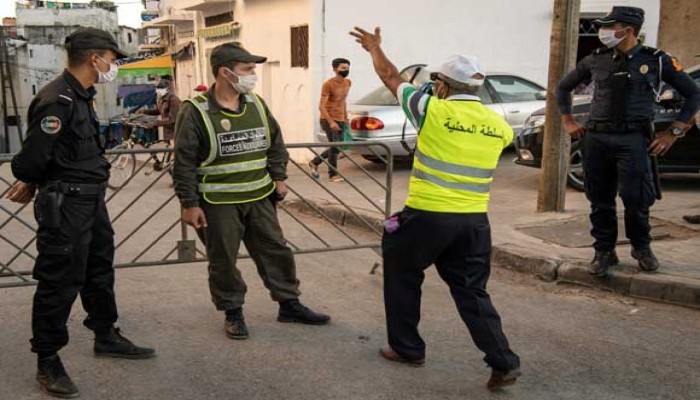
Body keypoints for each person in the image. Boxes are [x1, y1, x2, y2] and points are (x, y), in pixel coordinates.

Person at [350, 27, 521, 390]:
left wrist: (375, 48)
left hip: (427, 216)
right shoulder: (499, 124)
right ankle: (503, 361)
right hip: (474, 222)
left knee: (402, 274)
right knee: (472, 292)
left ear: (441, 85)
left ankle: (407, 348)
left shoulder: (431, 109)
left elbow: (390, 76)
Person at [5, 27, 155, 399]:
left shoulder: (80, 95)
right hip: (66, 205)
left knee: (98, 269)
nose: (114, 66)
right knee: (60, 280)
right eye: (112, 59)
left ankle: (105, 334)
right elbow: (30, 161)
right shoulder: (57, 100)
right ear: (94, 58)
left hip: (89, 199)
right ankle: (48, 359)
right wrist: (34, 180)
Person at [173, 42, 330, 341]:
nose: (253, 75)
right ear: (225, 72)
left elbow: (275, 143)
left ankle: (289, 304)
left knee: (276, 251)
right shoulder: (195, 111)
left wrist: (279, 178)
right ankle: (233, 311)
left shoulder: (256, 103)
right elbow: (184, 161)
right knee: (223, 260)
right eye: (247, 69)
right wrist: (189, 203)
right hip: (217, 202)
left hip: (259, 197)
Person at [556, 6, 700, 277]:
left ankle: (641, 248)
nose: (604, 32)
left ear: (628, 30)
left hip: (633, 139)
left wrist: (673, 132)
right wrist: (568, 122)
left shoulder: (657, 60)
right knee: (599, 199)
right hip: (596, 138)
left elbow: (693, 94)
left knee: (636, 199)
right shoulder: (596, 59)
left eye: (609, 27)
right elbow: (563, 87)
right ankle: (604, 252)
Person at [309, 58, 351, 182]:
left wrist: (346, 118)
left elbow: (343, 102)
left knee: (337, 147)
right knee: (335, 147)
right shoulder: (328, 84)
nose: (346, 70)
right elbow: (321, 106)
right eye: (343, 68)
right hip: (328, 119)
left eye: (347, 68)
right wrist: (331, 122)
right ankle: (332, 175)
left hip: (341, 119)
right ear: (335, 69)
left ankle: (314, 162)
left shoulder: (348, 82)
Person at [140, 78, 181, 143]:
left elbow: (172, 119)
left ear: (167, 89)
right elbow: (159, 111)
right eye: (157, 88)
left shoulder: (174, 100)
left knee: (174, 148)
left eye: (161, 88)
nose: (158, 90)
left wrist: (155, 123)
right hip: (168, 132)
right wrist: (145, 111)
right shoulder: (162, 99)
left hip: (176, 132)